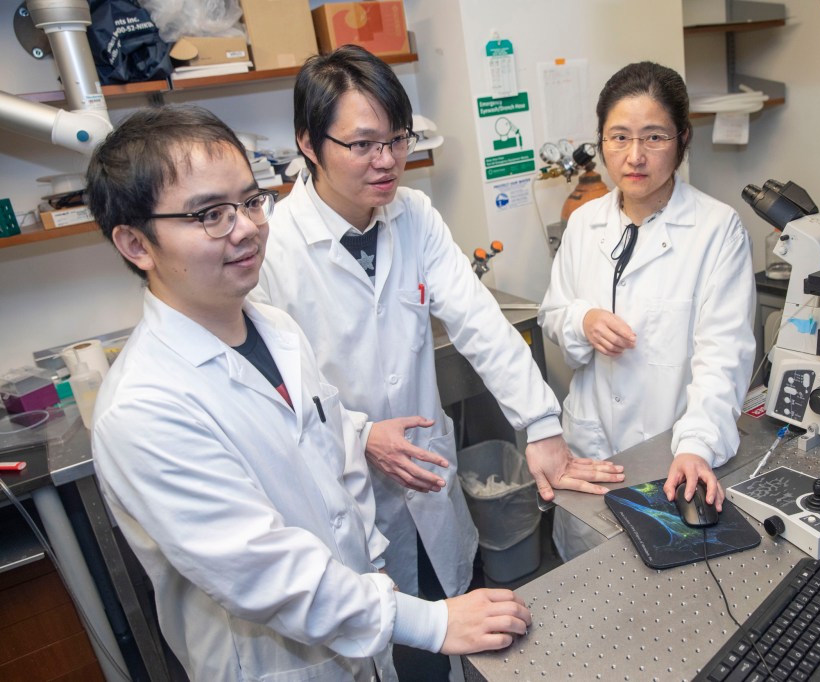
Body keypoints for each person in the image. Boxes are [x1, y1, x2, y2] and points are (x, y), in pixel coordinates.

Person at [86, 104, 531, 681]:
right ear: (136, 245)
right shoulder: (144, 409)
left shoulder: (275, 330)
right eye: (210, 215)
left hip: (356, 634)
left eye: (249, 202)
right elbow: (265, 573)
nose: (245, 227)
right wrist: (430, 623)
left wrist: (371, 559)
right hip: (276, 663)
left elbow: (332, 448)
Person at [255, 45, 623, 599]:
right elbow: (274, 392)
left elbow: (479, 322)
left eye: (397, 139)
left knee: (451, 611)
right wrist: (357, 435)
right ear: (308, 143)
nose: (386, 160)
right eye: (362, 145)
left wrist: (541, 425)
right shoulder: (270, 247)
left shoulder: (414, 215)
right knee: (386, 637)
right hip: (346, 493)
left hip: (428, 477)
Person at [539, 61, 756, 561]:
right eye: (619, 137)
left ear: (682, 140)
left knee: (669, 599)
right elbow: (553, 312)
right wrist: (582, 320)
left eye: (654, 137)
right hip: (590, 449)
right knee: (587, 589)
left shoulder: (716, 230)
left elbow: (723, 354)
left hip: (673, 450)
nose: (634, 156)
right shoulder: (583, 223)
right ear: (601, 142)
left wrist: (697, 444)